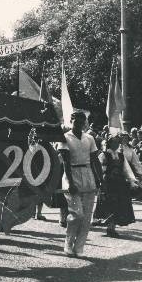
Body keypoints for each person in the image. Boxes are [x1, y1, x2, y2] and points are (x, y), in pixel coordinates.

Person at [57, 111, 102, 258]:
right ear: (71, 120)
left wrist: (99, 179)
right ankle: (68, 244)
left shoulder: (89, 138)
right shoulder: (64, 138)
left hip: (88, 175)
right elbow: (65, 161)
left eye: (82, 121)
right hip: (72, 174)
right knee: (77, 213)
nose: (79, 123)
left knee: (87, 215)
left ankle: (79, 247)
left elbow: (95, 160)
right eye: (76, 120)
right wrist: (69, 182)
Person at [97, 135, 138, 237]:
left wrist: (132, 181)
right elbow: (100, 169)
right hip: (108, 182)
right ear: (109, 143)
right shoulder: (104, 155)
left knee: (118, 204)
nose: (116, 144)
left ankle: (112, 227)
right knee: (109, 203)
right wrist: (101, 180)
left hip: (119, 182)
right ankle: (110, 227)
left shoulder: (121, 156)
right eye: (113, 142)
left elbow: (126, 170)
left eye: (117, 142)